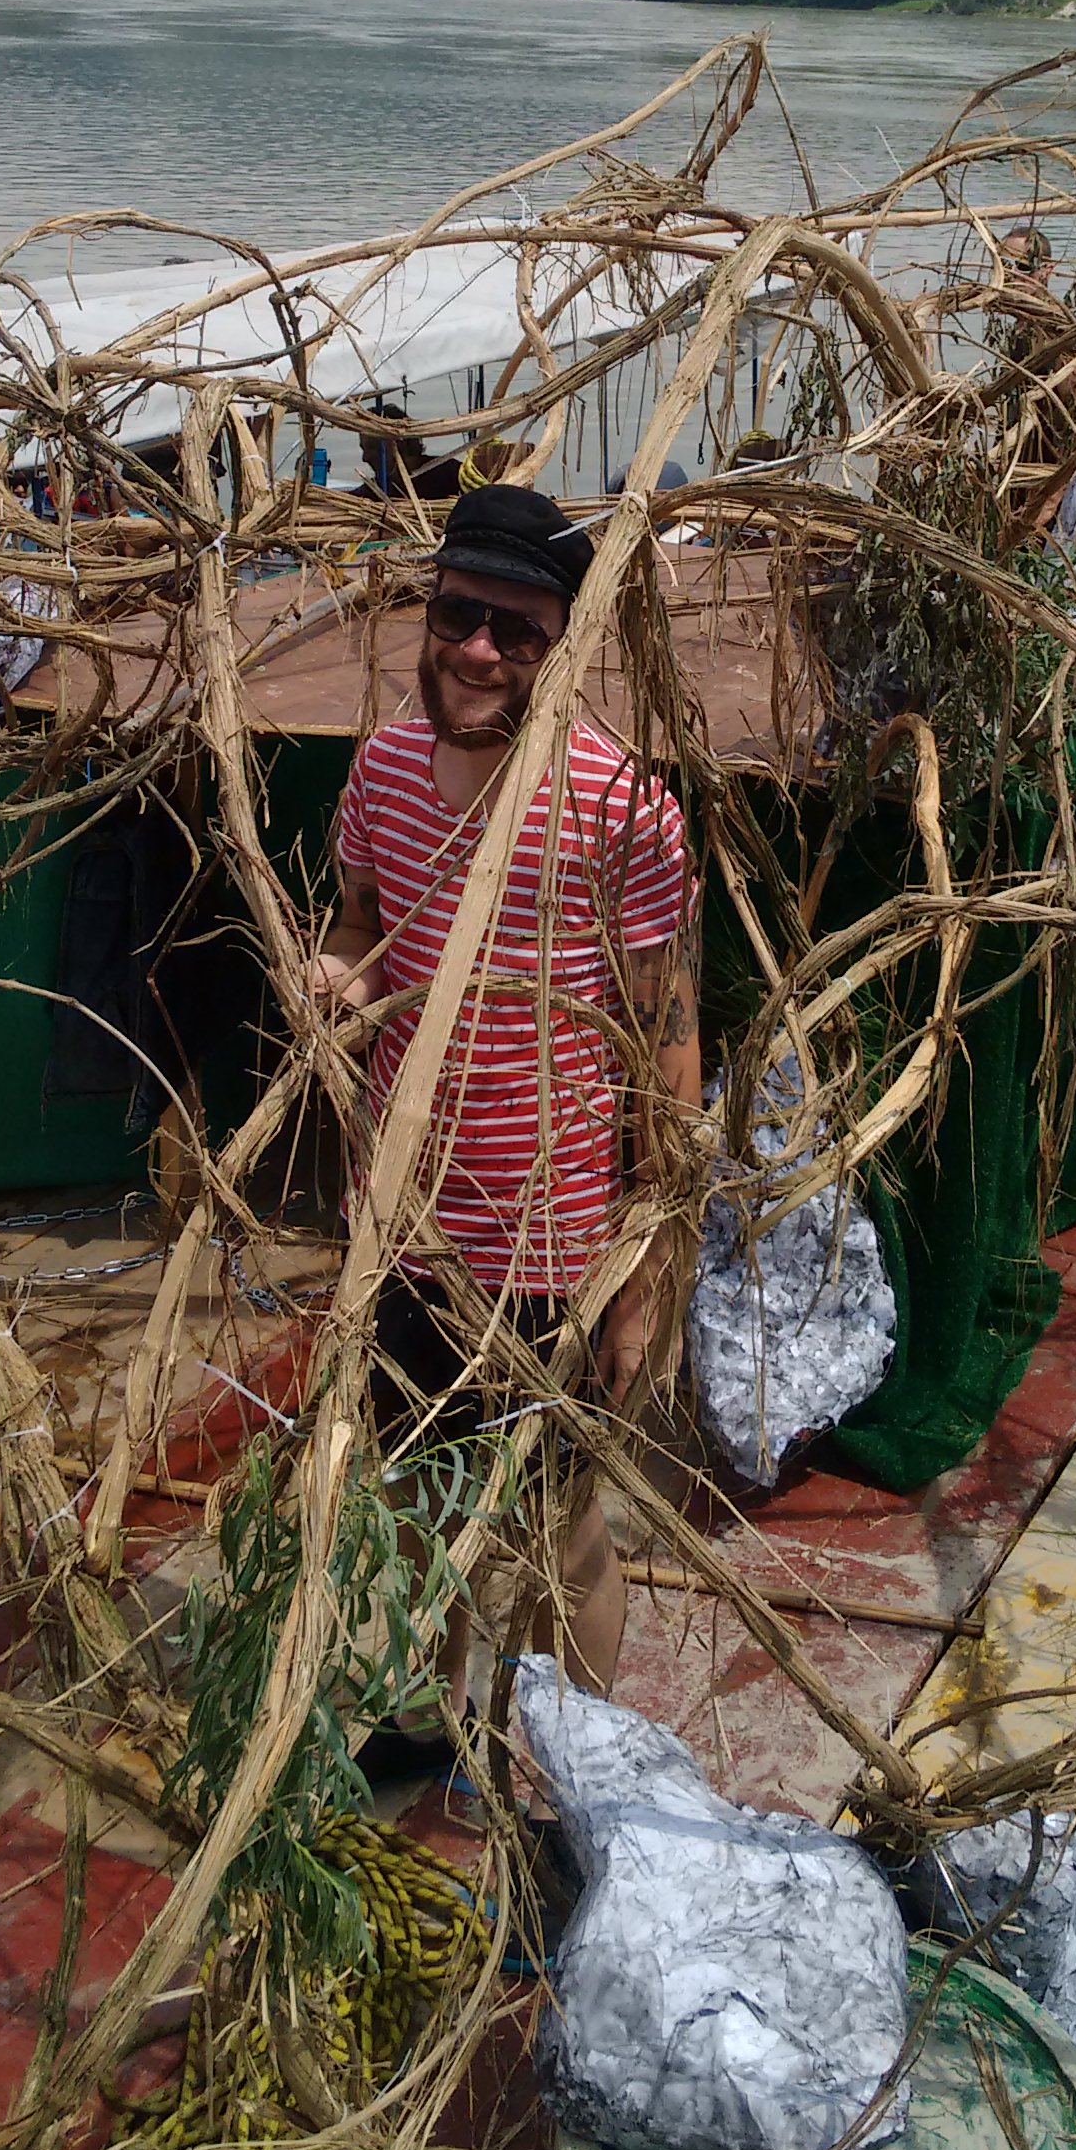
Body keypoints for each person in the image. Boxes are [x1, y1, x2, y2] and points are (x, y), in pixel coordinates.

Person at [309, 481, 699, 1721]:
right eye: (461, 614)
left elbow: (666, 1047)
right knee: (421, 1501)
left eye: (518, 632)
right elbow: (367, 933)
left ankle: (566, 1761)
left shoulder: (617, 807)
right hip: (408, 1232)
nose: (479, 650)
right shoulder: (377, 772)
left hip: (553, 1246)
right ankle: (430, 1714)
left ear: (564, 646)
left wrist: (643, 1275)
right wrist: (334, 975)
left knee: (559, 1528)